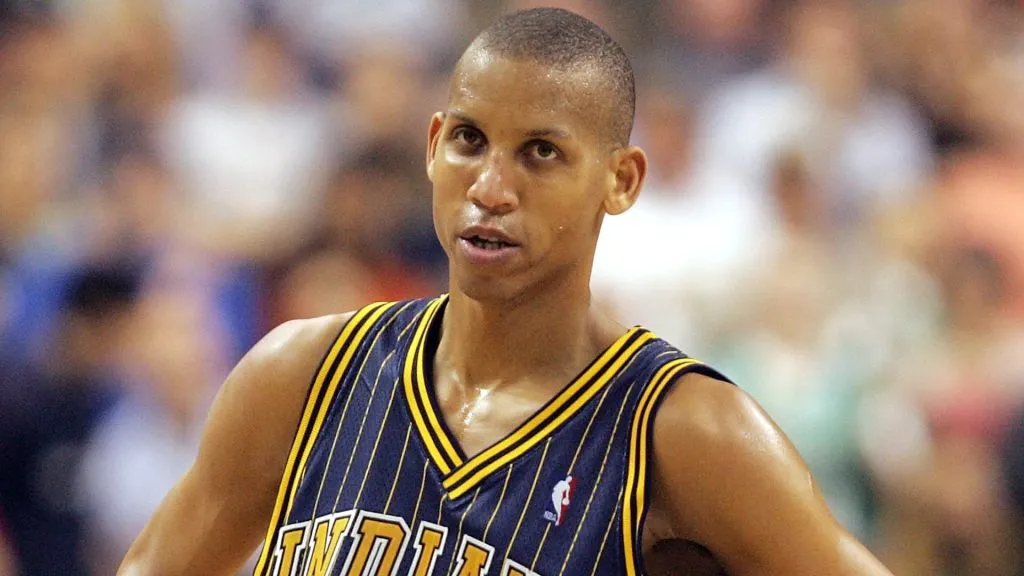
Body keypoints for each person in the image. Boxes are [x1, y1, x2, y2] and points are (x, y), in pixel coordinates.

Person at [119, 8, 894, 576]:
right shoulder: (303, 374)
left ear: (621, 181)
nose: (490, 187)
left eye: (540, 152)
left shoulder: (681, 430)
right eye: (470, 140)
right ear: (432, 146)